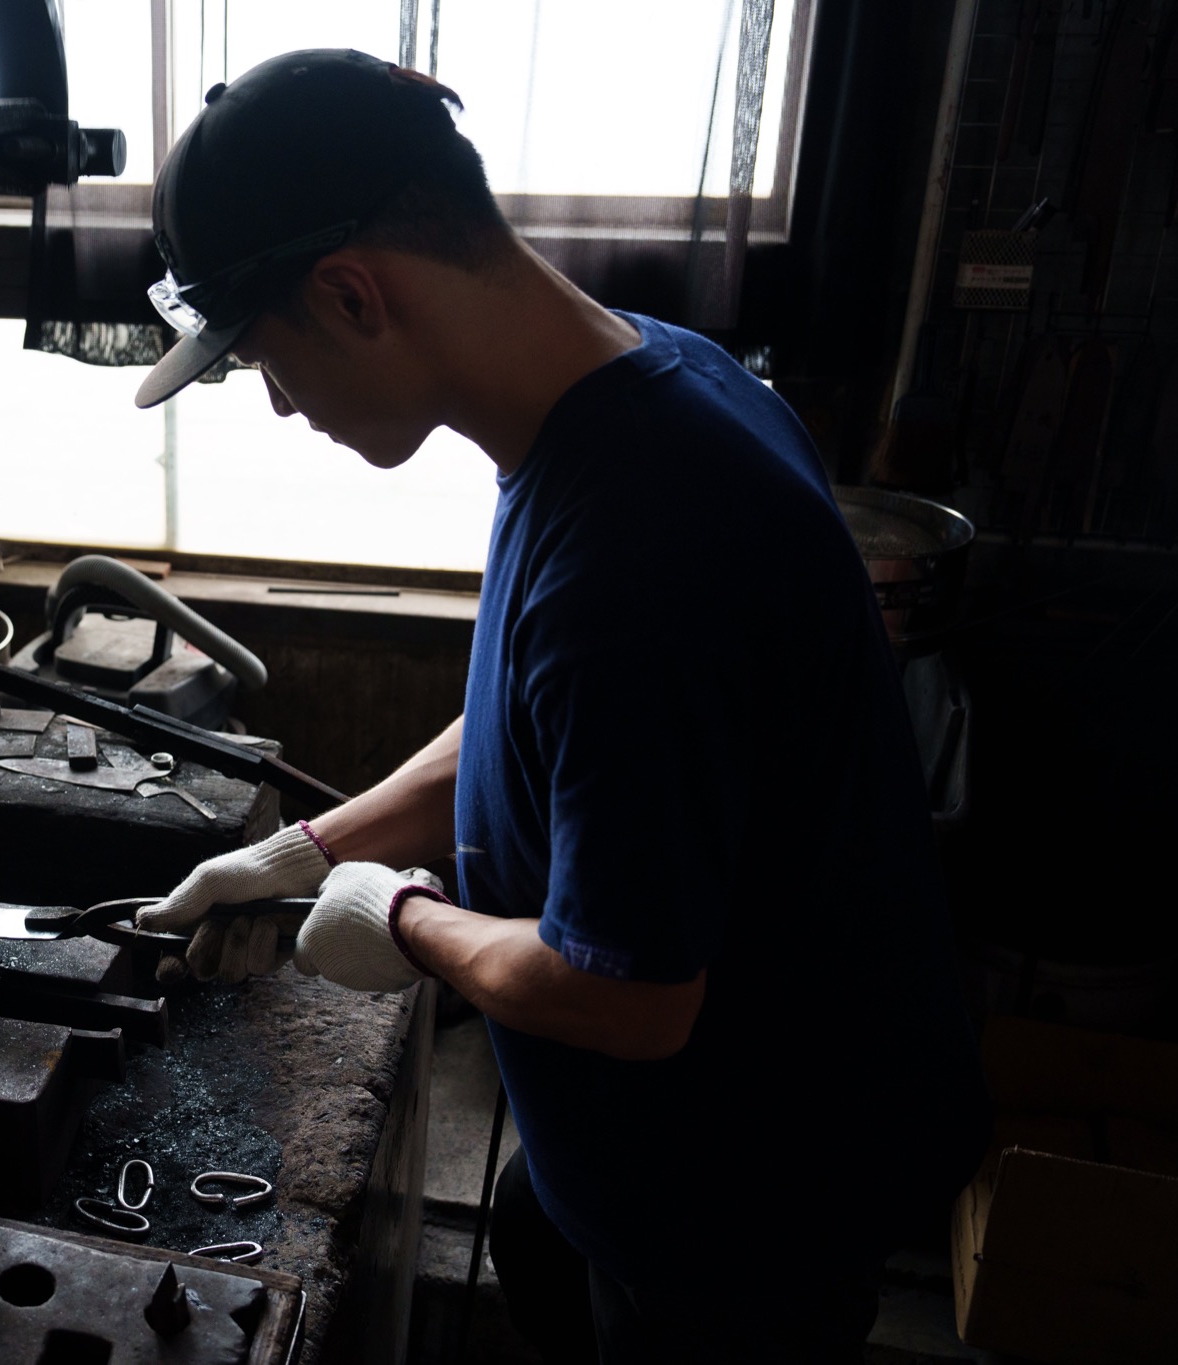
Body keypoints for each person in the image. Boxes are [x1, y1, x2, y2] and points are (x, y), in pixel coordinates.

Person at [131, 49, 989, 1364]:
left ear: (353, 293)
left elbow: (630, 993)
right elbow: (531, 718)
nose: (283, 404)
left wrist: (404, 920)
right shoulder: (644, 386)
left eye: (260, 361)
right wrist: (306, 851)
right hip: (660, 1140)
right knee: (538, 1222)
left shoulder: (641, 549)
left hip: (744, 1202)